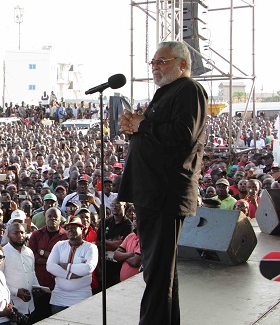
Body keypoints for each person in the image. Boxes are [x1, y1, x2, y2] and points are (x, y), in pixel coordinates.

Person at [118, 41, 208, 325]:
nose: (155, 67)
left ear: (183, 64)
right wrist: (134, 125)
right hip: (151, 191)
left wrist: (142, 125)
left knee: (157, 272)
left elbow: (183, 134)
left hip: (165, 192)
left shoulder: (189, 90)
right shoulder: (166, 93)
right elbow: (154, 133)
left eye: (162, 61)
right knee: (160, 272)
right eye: (153, 62)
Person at [46, 216, 98, 314]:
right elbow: (50, 266)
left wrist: (65, 266)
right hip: (59, 297)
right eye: (67, 228)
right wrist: (69, 275)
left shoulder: (91, 247)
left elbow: (88, 268)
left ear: (82, 228)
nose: (70, 230)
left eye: (73, 227)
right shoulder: (59, 245)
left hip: (81, 296)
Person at [27, 208, 67, 322]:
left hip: (58, 285)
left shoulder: (65, 236)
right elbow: (32, 256)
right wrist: (54, 262)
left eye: (55, 217)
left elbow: (64, 259)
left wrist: (42, 253)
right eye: (50, 216)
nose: (52, 218)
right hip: (40, 284)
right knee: (39, 316)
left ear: (60, 219)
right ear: (45, 217)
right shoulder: (36, 234)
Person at [1, 222, 41, 321]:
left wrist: (37, 287)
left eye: (22, 232)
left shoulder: (29, 252)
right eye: (16, 233)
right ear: (8, 235)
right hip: (13, 307)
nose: (20, 236)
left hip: (30, 306)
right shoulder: (2, 253)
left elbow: (32, 273)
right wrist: (16, 292)